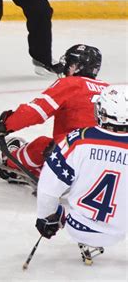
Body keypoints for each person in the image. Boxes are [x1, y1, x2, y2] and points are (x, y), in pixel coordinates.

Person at [0, 44, 108, 183]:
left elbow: (34, 112)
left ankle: (9, 166)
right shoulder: (108, 89)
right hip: (108, 158)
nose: (66, 67)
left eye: (69, 64)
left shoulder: (70, 83)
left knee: (43, 146)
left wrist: (4, 126)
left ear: (76, 66)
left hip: (76, 156)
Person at [35, 85, 127, 265]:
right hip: (121, 229)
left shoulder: (78, 139)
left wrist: (46, 217)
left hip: (79, 227)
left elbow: (48, 186)